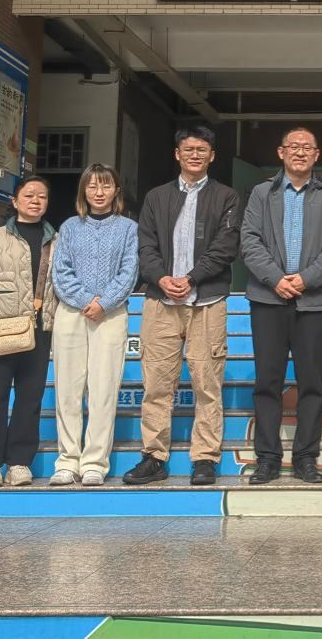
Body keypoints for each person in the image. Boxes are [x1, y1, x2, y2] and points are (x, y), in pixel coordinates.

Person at [124, 125, 241, 487]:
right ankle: (154, 457)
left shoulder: (226, 196)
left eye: (202, 149)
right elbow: (145, 245)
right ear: (177, 154)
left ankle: (204, 458)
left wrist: (191, 278)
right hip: (161, 302)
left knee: (208, 383)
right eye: (188, 149)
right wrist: (161, 278)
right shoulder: (157, 197)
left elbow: (226, 246)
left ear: (212, 156)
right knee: (157, 384)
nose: (194, 155)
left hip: (208, 301)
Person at [241, 126, 322, 485]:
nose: (300, 152)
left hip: (311, 301)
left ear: (317, 155)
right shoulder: (261, 193)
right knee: (267, 383)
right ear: (281, 152)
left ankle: (306, 458)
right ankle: (267, 459)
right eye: (293, 146)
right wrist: (276, 278)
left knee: (311, 384)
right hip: (267, 298)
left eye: (307, 147)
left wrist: (305, 279)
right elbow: (249, 240)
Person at [49, 163, 139, 487]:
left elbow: (129, 271)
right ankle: (67, 461)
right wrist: (86, 299)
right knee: (68, 389)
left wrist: (104, 303)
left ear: (116, 191)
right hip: (71, 313)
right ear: (83, 191)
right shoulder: (69, 227)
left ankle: (95, 463)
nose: (99, 192)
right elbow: (60, 271)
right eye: (92, 186)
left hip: (110, 315)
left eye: (106, 186)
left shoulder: (129, 229)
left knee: (103, 389)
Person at [0, 175, 59, 489]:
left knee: (30, 399)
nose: (36, 201)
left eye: (42, 196)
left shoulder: (56, 240)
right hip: (1, 328)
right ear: (15, 200)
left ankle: (19, 462)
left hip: (40, 330)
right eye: (29, 195)